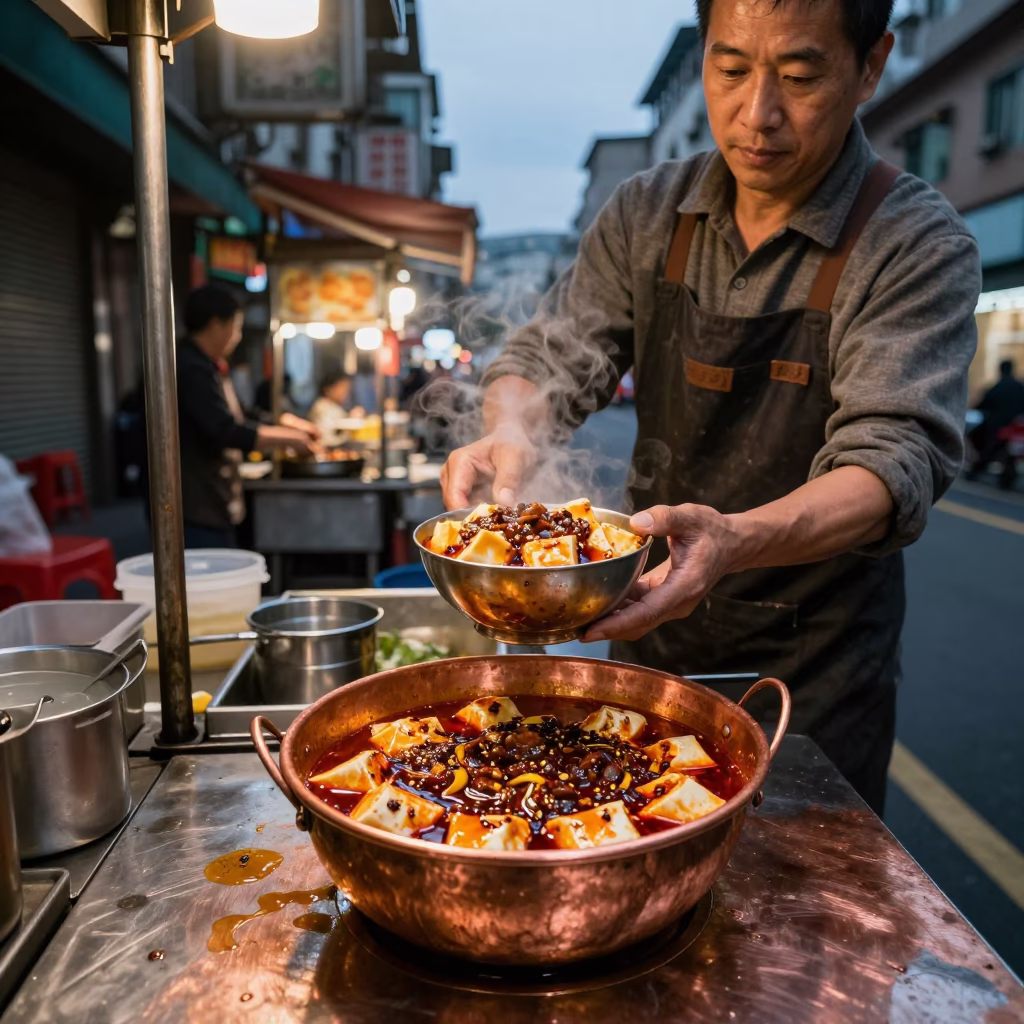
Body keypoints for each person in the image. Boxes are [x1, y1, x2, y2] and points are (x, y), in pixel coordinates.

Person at [441, 0, 981, 814]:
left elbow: (891, 457)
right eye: (730, 70)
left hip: (812, 674)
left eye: (800, 76)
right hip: (647, 644)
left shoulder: (913, 242)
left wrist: (732, 541)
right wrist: (510, 428)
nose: (756, 114)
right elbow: (544, 357)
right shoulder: (646, 213)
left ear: (871, 66)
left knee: (802, 911)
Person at [174, 285, 320, 548]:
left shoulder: (207, 364)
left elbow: (242, 413)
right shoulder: (191, 368)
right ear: (217, 324)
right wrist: (288, 438)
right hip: (194, 503)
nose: (237, 336)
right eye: (237, 326)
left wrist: (288, 422)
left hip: (210, 497)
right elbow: (225, 429)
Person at [967, 360, 1024, 487]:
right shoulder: (1019, 387)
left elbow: (985, 402)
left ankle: (975, 472)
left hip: (997, 427)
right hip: (1014, 428)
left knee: (988, 449)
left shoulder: (999, 386)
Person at [309, 370, 362, 445]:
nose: (345, 392)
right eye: (341, 388)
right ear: (327, 389)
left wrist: (350, 417)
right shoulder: (323, 407)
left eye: (346, 389)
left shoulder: (333, 406)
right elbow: (326, 438)